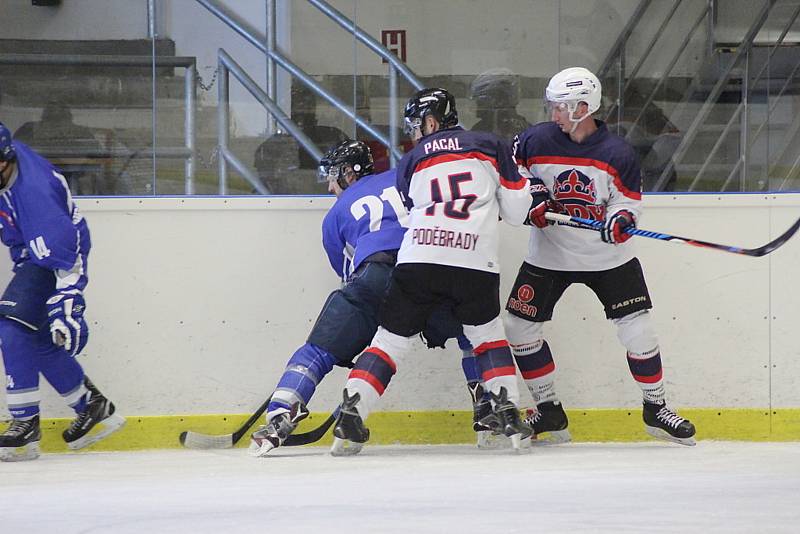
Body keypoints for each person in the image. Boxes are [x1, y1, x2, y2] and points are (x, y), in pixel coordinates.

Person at [329, 88, 547, 455]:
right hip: (473, 262)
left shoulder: (411, 160)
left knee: (388, 342)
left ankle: (352, 410)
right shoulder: (491, 145)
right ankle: (507, 411)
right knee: (488, 338)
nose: (414, 134)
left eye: (416, 126)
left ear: (431, 123)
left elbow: (414, 205)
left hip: (418, 259)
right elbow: (515, 211)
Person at [505, 67, 696, 445]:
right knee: (518, 328)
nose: (554, 114)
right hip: (548, 256)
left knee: (638, 330)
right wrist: (533, 196)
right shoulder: (534, 139)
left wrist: (620, 218)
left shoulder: (618, 153)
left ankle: (655, 409)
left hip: (609, 259)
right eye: (554, 106)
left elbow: (628, 202)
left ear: (583, 107)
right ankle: (549, 410)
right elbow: (512, 172)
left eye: (561, 107)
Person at [249, 139, 472, 456]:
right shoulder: (405, 176)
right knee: (475, 333)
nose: (329, 186)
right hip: (430, 268)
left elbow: (349, 275)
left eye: (332, 176)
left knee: (319, 349)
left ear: (349, 173)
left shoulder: (336, 213)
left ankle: (281, 413)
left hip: (375, 274)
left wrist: (359, 326)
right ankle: (491, 408)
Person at [0, 122, 125, 462]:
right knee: (35, 337)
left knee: (11, 327)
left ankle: (25, 425)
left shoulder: (35, 198)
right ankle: (92, 406)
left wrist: (68, 301)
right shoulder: (8, 162)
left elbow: (67, 260)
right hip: (34, 249)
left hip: (50, 256)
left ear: (6, 159)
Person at [470, 68, 531, 140]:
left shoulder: (525, 132)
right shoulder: (478, 131)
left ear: (500, 100)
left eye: (481, 104)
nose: (477, 112)